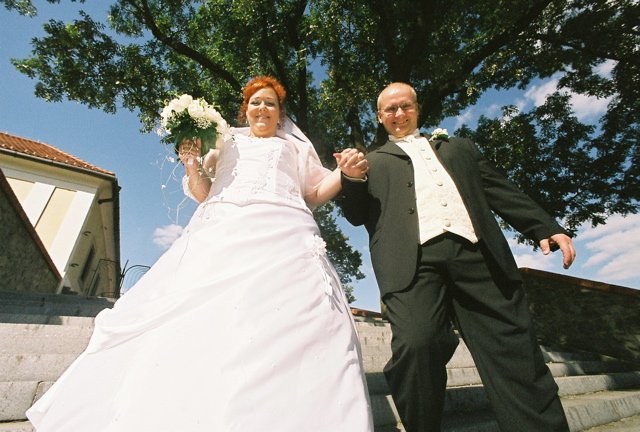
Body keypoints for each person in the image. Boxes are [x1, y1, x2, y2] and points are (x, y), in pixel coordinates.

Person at [26, 76, 374, 431]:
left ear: (280, 113)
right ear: (245, 110)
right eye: (256, 102)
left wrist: (343, 174)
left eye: (270, 103)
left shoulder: (295, 147)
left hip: (286, 229)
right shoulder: (225, 141)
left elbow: (313, 192)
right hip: (224, 226)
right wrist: (191, 163)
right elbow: (202, 192)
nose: (262, 108)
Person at [339, 82, 577, 432]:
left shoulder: (459, 148)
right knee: (417, 344)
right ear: (379, 116)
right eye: (390, 109)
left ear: (417, 108)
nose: (399, 114)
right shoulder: (371, 162)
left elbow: (498, 188)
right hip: (412, 266)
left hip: (478, 257)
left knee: (515, 353)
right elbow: (357, 214)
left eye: (406, 106)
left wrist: (543, 226)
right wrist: (352, 179)